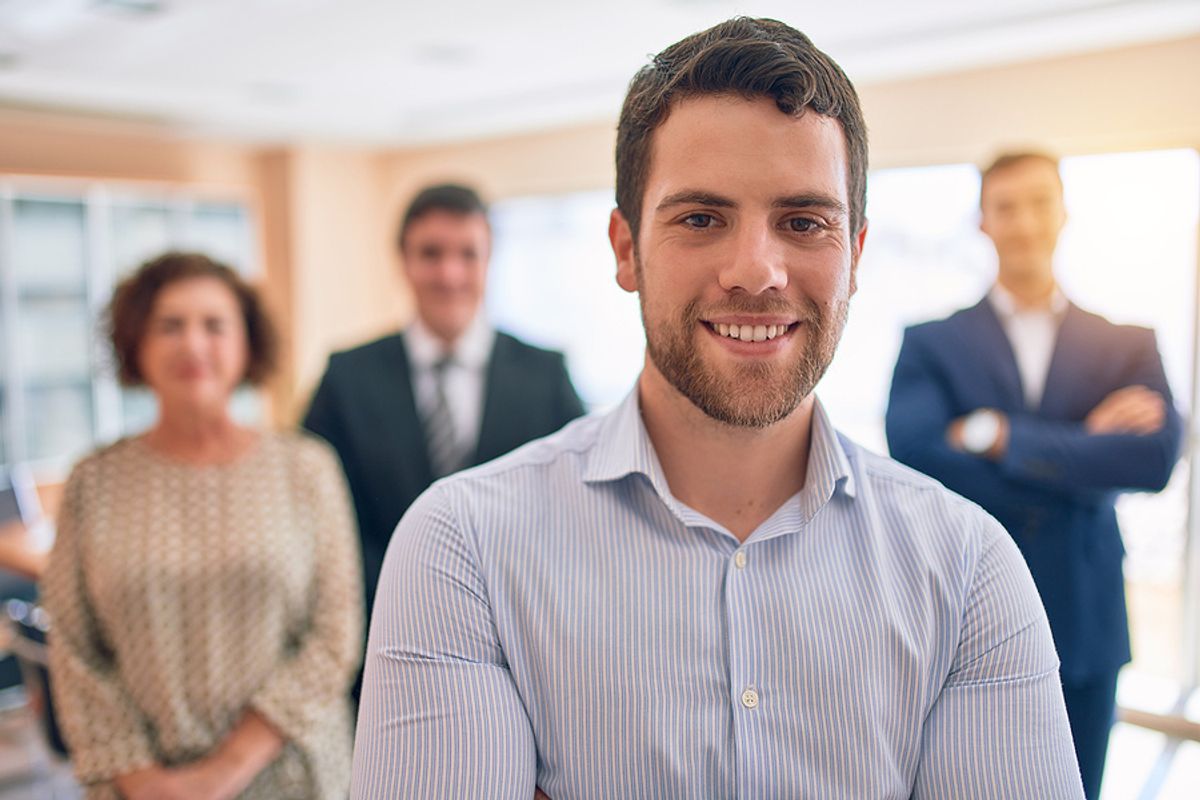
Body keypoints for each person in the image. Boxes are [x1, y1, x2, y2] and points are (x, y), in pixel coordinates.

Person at [351, 18, 1084, 799]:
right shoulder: (463, 548)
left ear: (856, 257)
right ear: (626, 248)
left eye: (803, 222)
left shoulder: (968, 569)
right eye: (701, 218)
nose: (756, 271)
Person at [886, 151, 1182, 799]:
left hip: (1085, 617)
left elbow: (1154, 459)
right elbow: (916, 458)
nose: (1024, 222)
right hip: (960, 612)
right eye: (1006, 207)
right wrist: (1084, 452)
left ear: (1064, 212)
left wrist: (998, 435)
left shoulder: (1128, 344)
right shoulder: (931, 342)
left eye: (1039, 202)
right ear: (983, 222)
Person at [43, 252, 363, 800]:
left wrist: (222, 773)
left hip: (294, 775)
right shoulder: (93, 482)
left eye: (214, 325)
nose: (193, 344)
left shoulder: (307, 469)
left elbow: (335, 634)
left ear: (247, 345)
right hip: (142, 788)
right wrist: (143, 781)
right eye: (170, 325)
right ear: (136, 343)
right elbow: (74, 646)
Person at [303, 183, 585, 630]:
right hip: (384, 626)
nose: (449, 274)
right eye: (431, 254)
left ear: (489, 261)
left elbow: (579, 506)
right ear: (404, 262)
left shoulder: (546, 375)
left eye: (467, 254)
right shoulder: (346, 377)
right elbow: (318, 518)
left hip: (520, 628)